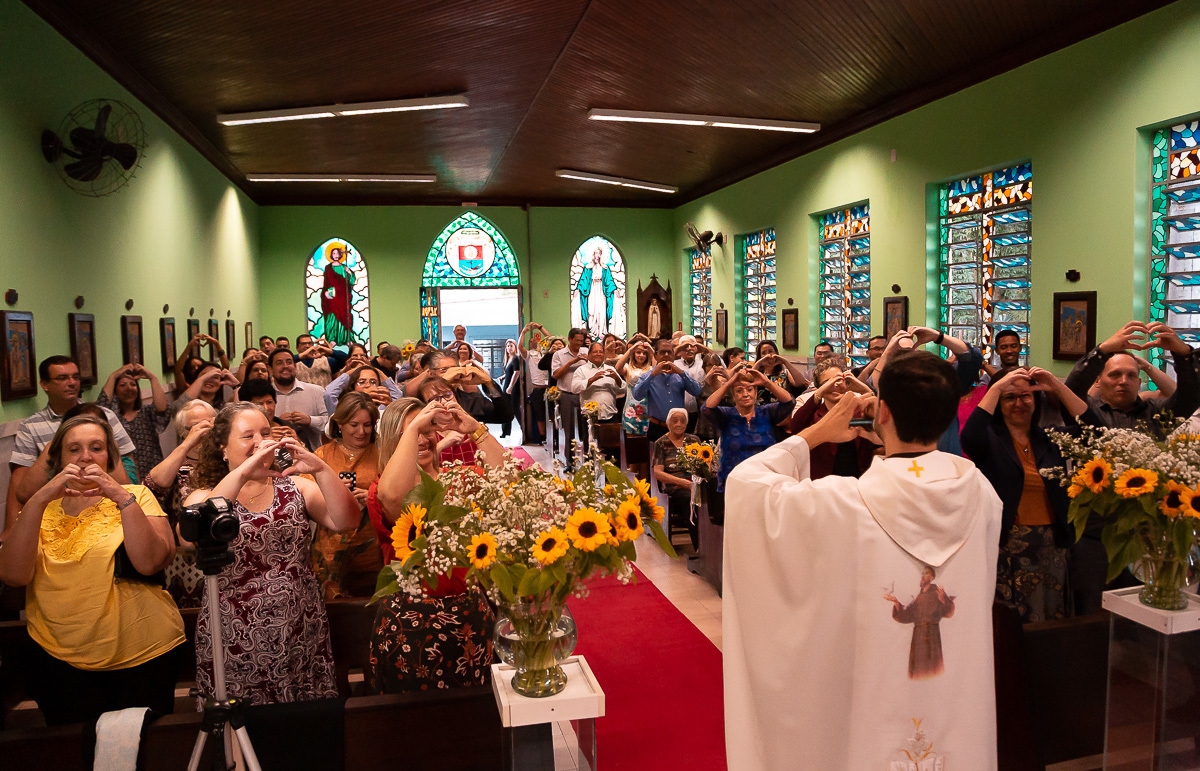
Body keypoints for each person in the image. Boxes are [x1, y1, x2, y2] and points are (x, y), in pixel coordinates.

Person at [722, 351, 1002, 769]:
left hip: (873, 689)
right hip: (953, 679)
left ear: (881, 411)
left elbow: (746, 484)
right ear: (948, 418)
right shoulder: (981, 492)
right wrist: (889, 440)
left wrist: (813, 434)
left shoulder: (845, 502)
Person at [0, 415, 183, 725]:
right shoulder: (41, 508)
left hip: (141, 651)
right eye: (74, 449)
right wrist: (41, 497)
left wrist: (122, 497)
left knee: (140, 749)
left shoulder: (136, 496)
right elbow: (14, 575)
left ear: (109, 456)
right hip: (57, 657)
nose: (85, 457)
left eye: (95, 448)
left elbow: (151, 561)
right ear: (58, 459)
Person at [184, 403, 358, 705]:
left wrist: (319, 467)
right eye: (247, 436)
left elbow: (345, 521)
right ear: (223, 448)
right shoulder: (204, 494)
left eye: (265, 433)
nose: (259, 442)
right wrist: (243, 473)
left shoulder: (296, 487)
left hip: (299, 623)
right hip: (234, 630)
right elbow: (195, 532)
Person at [366, 398, 500, 693]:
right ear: (393, 440)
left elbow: (507, 477)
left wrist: (476, 430)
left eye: (429, 431)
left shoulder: (458, 477)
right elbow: (392, 497)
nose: (423, 439)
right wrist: (414, 428)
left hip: (470, 618)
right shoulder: (383, 489)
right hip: (411, 627)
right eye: (412, 433)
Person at [961, 366, 1090, 620]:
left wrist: (1057, 386)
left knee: (1050, 626)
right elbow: (970, 435)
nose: (1018, 403)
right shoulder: (989, 441)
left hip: (1052, 546)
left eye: (1025, 396)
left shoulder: (1052, 439)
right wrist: (997, 387)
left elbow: (1093, 432)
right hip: (1006, 547)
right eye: (1010, 397)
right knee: (1011, 628)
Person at [9, 356, 136, 509]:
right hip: (57, 510)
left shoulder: (105, 415)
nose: (72, 383)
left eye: (75, 377)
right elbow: (21, 491)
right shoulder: (30, 427)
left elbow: (129, 470)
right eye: (63, 378)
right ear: (44, 384)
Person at [1065, 320, 1198, 437]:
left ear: (1139, 383)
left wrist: (1183, 354)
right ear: (1098, 381)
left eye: (1131, 375)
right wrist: (1103, 350)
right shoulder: (1087, 412)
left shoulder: (1156, 414)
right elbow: (1070, 391)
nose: (1123, 381)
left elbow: (1190, 396)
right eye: (1115, 374)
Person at [311, 391, 383, 600]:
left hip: (372, 552)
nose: (361, 431)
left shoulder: (383, 453)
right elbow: (305, 498)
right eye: (354, 425)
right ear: (339, 424)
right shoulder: (322, 456)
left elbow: (397, 493)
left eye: (367, 425)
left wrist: (372, 495)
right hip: (330, 556)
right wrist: (331, 491)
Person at [144, 399, 215, 608]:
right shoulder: (177, 465)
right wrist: (187, 444)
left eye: (208, 424)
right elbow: (150, 488)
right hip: (185, 564)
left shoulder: (226, 459)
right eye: (194, 426)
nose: (203, 431)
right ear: (183, 431)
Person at [702, 366, 795, 520]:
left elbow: (789, 402)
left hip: (765, 480)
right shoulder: (726, 415)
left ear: (756, 393)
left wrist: (766, 382)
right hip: (734, 482)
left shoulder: (766, 413)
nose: (745, 394)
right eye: (739, 390)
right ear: (734, 395)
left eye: (750, 389)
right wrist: (729, 383)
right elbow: (707, 408)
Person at [785, 360, 880, 479]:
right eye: (828, 382)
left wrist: (865, 390)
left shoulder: (858, 412)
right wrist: (818, 393)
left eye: (839, 380)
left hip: (858, 479)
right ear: (820, 387)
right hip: (823, 480)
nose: (835, 385)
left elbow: (881, 428)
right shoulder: (813, 414)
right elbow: (795, 427)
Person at [96, 363, 169, 481]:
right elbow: (100, 407)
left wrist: (152, 378)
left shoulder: (146, 412)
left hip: (152, 472)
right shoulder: (112, 417)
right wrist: (113, 376)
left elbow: (161, 409)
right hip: (125, 474)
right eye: (122, 385)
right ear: (115, 391)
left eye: (133, 385)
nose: (128, 388)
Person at [633, 337, 704, 442]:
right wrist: (653, 375)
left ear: (673, 355)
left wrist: (681, 373)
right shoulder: (647, 376)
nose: (666, 355)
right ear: (655, 355)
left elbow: (697, 391)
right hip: (657, 427)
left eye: (669, 352)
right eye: (662, 352)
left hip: (679, 427)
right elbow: (637, 395)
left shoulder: (680, 374)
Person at [652, 408, 701, 549]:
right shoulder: (661, 443)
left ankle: (715, 543)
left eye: (682, 421)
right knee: (690, 499)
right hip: (676, 486)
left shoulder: (694, 440)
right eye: (675, 421)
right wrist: (683, 482)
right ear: (668, 424)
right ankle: (699, 546)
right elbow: (658, 473)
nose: (679, 424)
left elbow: (704, 461)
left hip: (695, 483)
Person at [269, 347, 330, 449]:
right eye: (279, 363)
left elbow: (329, 425)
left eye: (289, 362)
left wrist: (310, 420)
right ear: (270, 369)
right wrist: (277, 423)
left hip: (311, 455)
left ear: (295, 366)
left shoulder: (316, 391)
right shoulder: (266, 395)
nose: (285, 366)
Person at [551, 328, 590, 466]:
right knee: (569, 430)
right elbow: (556, 375)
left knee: (586, 428)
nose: (579, 343)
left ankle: (588, 461)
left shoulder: (586, 352)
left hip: (584, 395)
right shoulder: (559, 355)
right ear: (570, 339)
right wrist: (572, 361)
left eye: (581, 341)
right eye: (577, 340)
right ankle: (570, 462)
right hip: (566, 394)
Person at [572, 343, 625, 422]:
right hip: (589, 415)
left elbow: (623, 390)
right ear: (589, 354)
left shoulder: (611, 369)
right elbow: (574, 388)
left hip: (611, 414)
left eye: (601, 352)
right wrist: (592, 379)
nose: (598, 354)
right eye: (595, 352)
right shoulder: (581, 370)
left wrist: (617, 378)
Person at [237, 378, 300, 442]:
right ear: (246, 408)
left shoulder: (286, 426)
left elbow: (306, 451)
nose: (266, 408)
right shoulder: (239, 431)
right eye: (259, 404)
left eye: (269, 402)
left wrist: (298, 441)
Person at [518, 323, 550, 442]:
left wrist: (541, 327)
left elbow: (550, 339)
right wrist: (523, 332)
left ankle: (553, 437)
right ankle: (542, 437)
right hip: (538, 389)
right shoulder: (529, 355)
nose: (534, 342)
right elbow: (520, 347)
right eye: (531, 341)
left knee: (551, 415)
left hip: (550, 388)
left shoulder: (546, 352)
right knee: (540, 414)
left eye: (535, 340)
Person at [324, 363, 398, 413]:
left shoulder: (383, 407)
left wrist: (376, 370)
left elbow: (397, 394)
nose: (368, 385)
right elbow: (329, 394)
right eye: (362, 382)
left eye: (373, 382)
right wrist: (351, 372)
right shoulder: (345, 409)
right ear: (353, 386)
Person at [674, 336, 707, 431]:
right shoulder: (674, 364)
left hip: (699, 413)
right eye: (685, 346)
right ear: (680, 350)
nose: (689, 349)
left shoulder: (702, 364)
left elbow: (720, 366)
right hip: (679, 413)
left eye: (692, 346)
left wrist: (705, 350)